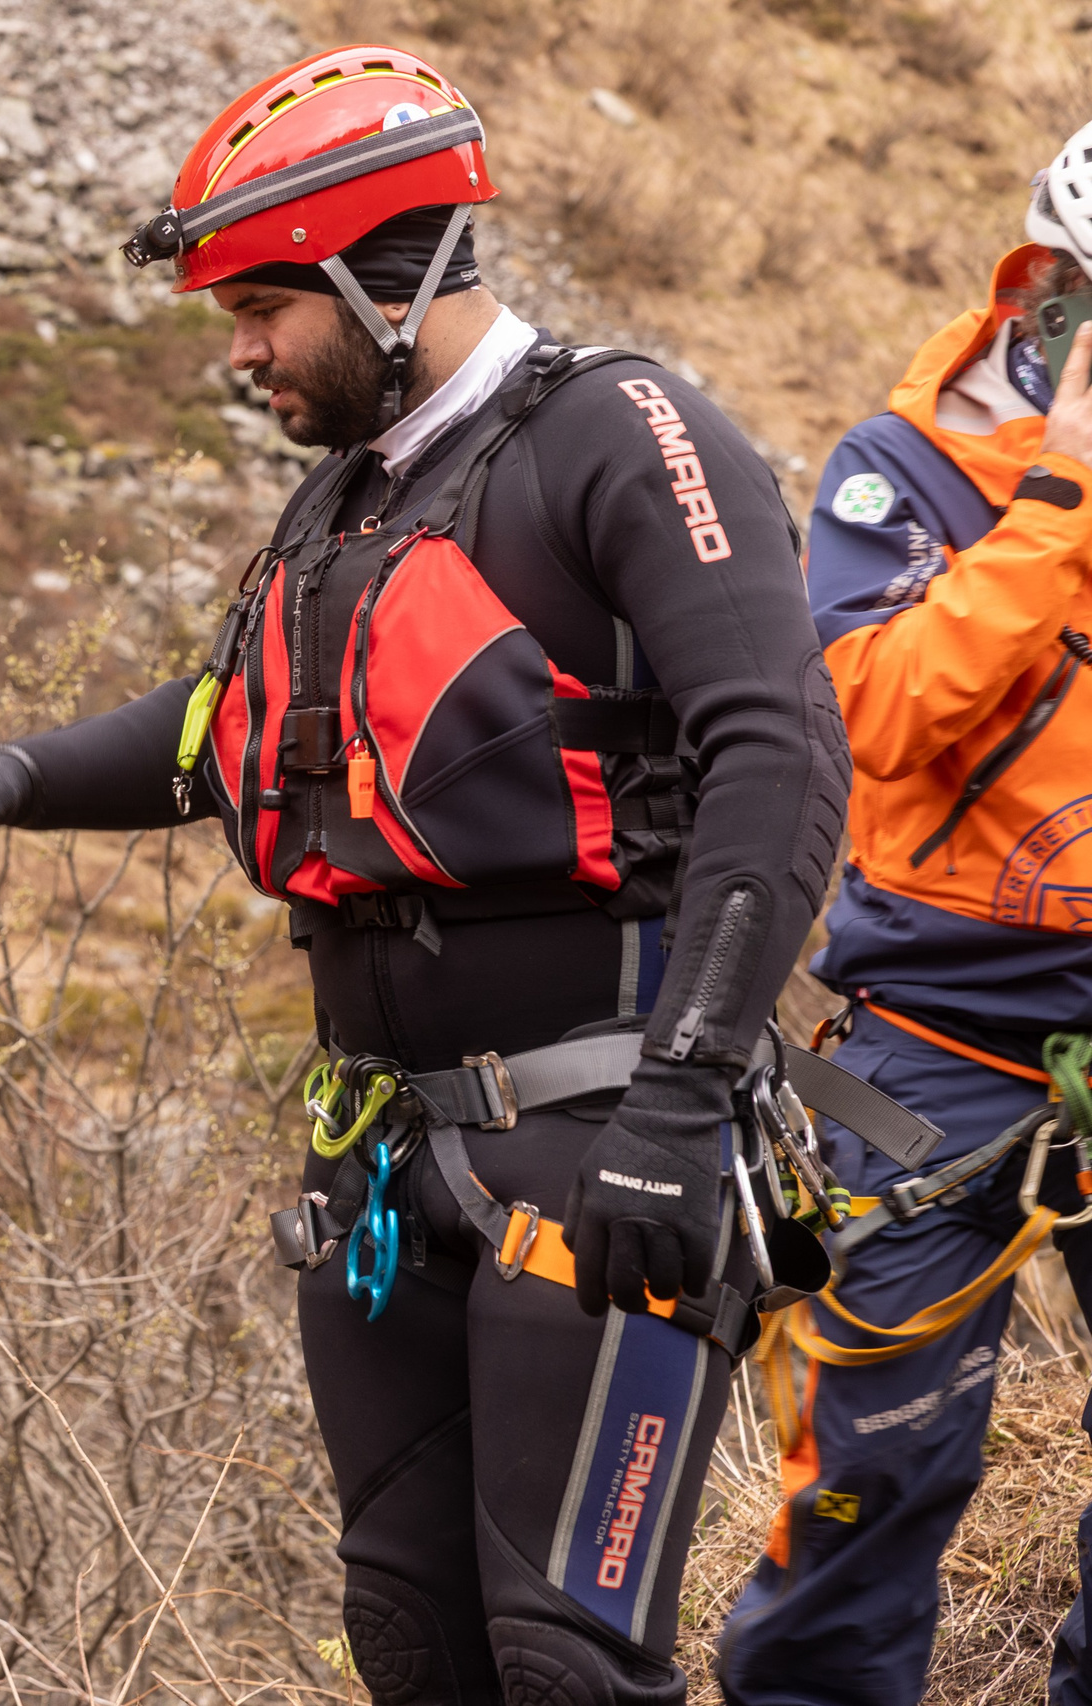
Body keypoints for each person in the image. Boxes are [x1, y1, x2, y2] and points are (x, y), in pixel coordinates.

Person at [0, 44, 850, 1705]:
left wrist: (685, 1102)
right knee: (414, 1652)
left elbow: (779, 752)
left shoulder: (622, 433)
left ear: (373, 276)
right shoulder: (344, 503)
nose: (241, 349)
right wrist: (16, 782)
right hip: (387, 1168)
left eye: (263, 306)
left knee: (567, 1669)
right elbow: (227, 728)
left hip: (599, 1153)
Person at [713, 124, 1092, 1706]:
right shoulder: (903, 463)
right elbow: (875, 711)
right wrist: (1068, 489)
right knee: (877, 1464)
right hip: (936, 1042)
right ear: (1058, 297)